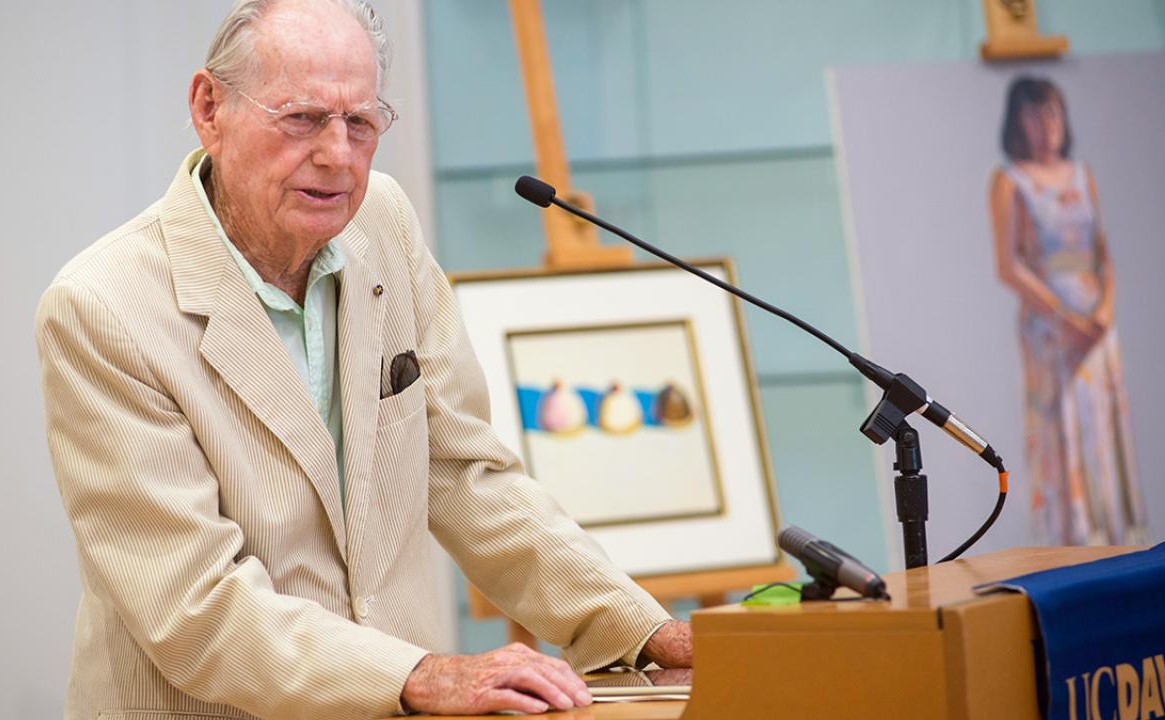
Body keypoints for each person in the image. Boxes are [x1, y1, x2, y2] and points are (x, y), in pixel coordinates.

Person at [34, 1, 691, 718]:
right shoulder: (102, 307)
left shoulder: (384, 219)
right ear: (209, 108)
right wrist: (418, 675)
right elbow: (196, 605)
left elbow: (463, 470)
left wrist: (639, 627)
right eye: (302, 118)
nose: (337, 155)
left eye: (362, 122)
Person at [988, 76, 1146, 547]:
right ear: (1018, 122)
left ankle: (1116, 532)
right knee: (1062, 427)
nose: (1046, 124)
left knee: (1102, 420)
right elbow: (1008, 265)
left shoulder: (1083, 174)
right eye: (1035, 114)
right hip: (1051, 328)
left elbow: (1104, 253)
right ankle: (1072, 538)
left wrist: (1104, 312)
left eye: (1053, 112)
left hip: (1096, 326)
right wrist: (1066, 318)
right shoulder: (1009, 181)